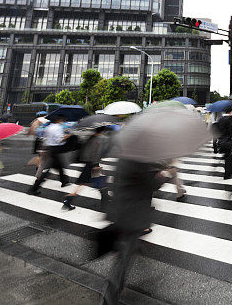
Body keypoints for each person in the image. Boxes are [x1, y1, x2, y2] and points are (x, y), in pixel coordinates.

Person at [99, 158, 168, 304]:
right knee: (123, 259)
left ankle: (135, 247)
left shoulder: (126, 155)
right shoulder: (139, 159)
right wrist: (164, 175)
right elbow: (151, 184)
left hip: (121, 209)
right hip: (132, 214)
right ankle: (108, 297)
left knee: (127, 247)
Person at [64, 126, 111, 210]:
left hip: (89, 163)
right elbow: (96, 153)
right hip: (93, 164)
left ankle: (105, 199)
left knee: (92, 182)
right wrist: (96, 164)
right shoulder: (99, 139)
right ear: (103, 130)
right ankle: (68, 200)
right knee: (95, 182)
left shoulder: (91, 137)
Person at [28, 114, 70, 195]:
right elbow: (59, 140)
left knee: (59, 166)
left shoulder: (49, 127)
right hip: (55, 149)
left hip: (49, 148)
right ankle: (33, 188)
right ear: (58, 120)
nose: (62, 121)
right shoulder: (58, 128)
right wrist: (68, 136)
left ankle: (64, 181)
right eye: (61, 120)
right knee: (48, 170)